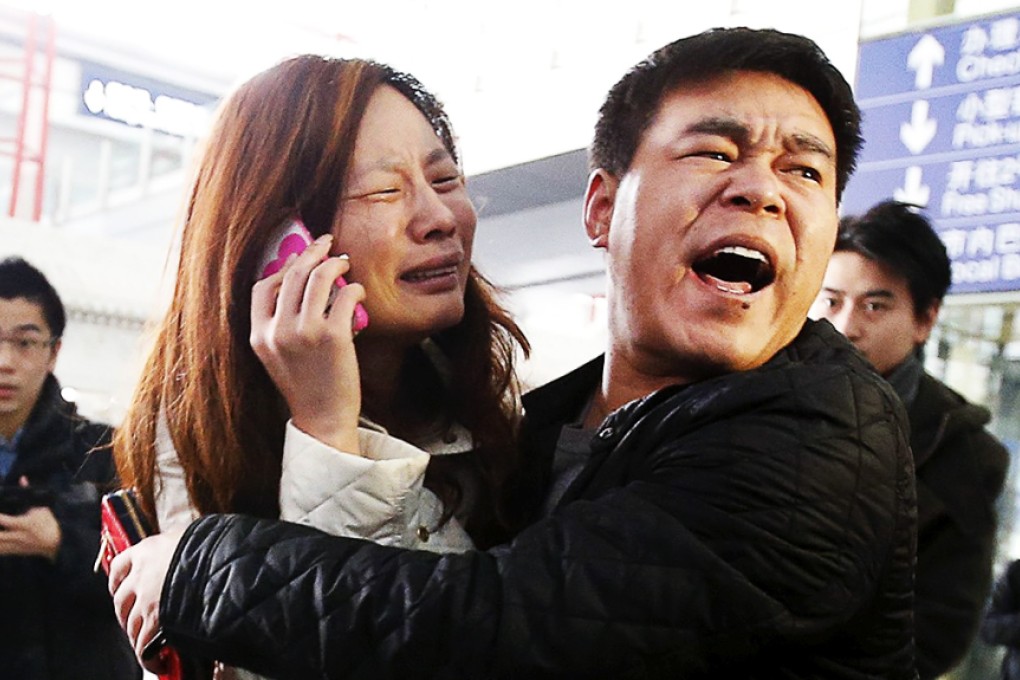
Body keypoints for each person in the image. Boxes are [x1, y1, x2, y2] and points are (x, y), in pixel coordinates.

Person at [109, 27, 917, 679]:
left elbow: (491, 630)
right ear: (601, 208)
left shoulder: (822, 436)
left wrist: (209, 565)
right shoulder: (535, 426)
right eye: (713, 153)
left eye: (805, 170)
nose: (763, 189)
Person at [111, 55, 530, 676]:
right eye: (386, 190)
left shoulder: (497, 406)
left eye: (444, 181)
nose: (441, 219)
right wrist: (327, 434)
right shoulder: (199, 443)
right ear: (281, 242)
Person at [809, 199, 1009, 679]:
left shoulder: (965, 453)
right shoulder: (752, 402)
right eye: (830, 300)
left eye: (875, 305)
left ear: (926, 319)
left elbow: (939, 629)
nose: (846, 326)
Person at [0, 256, 139, 679]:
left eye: (25, 342)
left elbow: (152, 585)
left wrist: (63, 542)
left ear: (53, 351)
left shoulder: (104, 450)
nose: (5, 361)